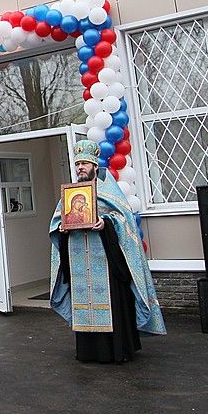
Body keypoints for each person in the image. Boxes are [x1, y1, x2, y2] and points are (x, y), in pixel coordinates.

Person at [50, 140, 166, 363]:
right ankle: (88, 352)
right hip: (79, 264)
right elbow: (56, 223)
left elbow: (125, 222)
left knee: (113, 305)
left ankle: (116, 351)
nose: (80, 168)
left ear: (95, 166)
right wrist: (61, 228)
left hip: (107, 262)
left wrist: (107, 224)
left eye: (84, 163)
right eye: (78, 164)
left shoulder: (109, 191)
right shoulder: (71, 193)